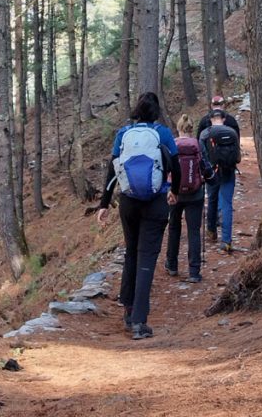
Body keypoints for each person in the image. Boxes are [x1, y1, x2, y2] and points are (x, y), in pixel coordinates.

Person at [96, 92, 179, 340]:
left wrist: (104, 203)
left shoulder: (124, 133)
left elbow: (112, 168)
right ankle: (139, 323)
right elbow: (175, 165)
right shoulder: (162, 133)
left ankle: (128, 308)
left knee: (131, 251)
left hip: (128, 202)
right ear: (156, 112)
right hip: (155, 202)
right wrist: (174, 191)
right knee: (147, 258)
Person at [163, 125, 212, 283]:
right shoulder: (197, 144)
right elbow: (204, 165)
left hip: (175, 192)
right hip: (195, 193)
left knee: (173, 227)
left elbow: (166, 167)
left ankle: (172, 264)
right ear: (191, 129)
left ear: (178, 128)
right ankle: (194, 271)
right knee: (194, 231)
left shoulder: (172, 143)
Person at [195, 96, 240, 243]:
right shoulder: (232, 126)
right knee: (227, 203)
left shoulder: (205, 130)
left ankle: (211, 231)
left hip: (211, 171)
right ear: (224, 117)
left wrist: (202, 170)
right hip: (228, 169)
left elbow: (199, 152)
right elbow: (237, 153)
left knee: (212, 200)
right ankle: (226, 241)